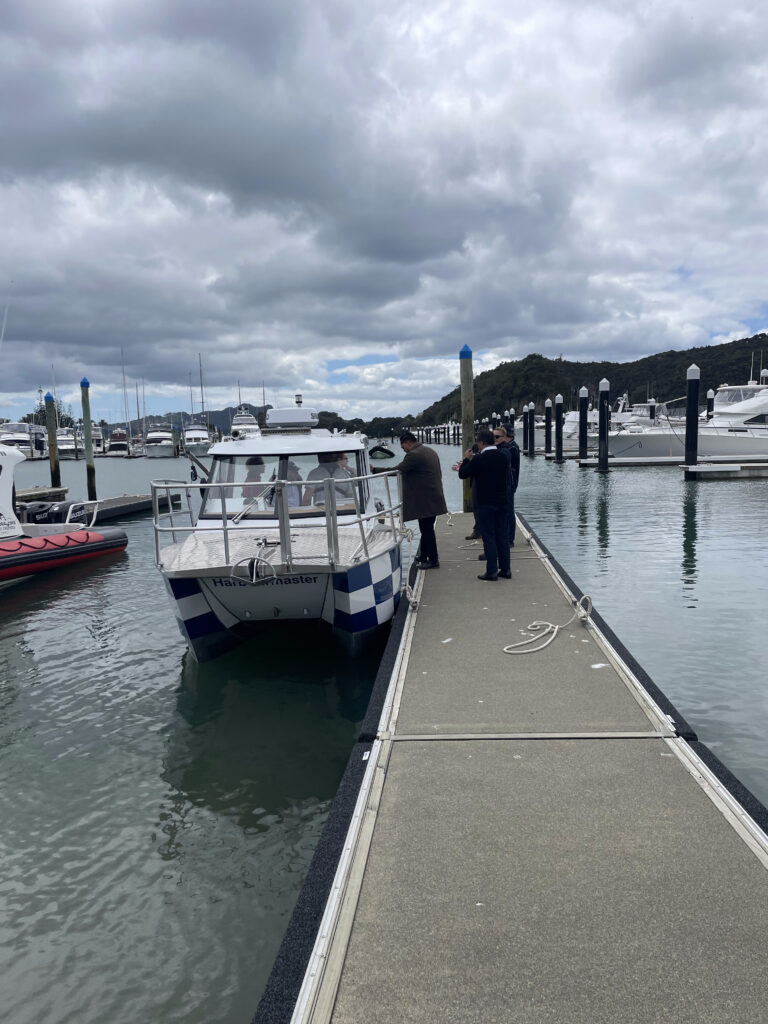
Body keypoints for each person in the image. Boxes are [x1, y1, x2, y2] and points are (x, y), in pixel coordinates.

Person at [373, 431, 447, 569]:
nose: (404, 450)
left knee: (427, 530)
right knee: (426, 528)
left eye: (403, 447)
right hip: (433, 497)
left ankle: (433, 560)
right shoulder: (429, 450)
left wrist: (375, 470)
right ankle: (424, 555)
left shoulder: (414, 455)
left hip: (425, 499)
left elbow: (397, 470)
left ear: (408, 442)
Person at [458, 429, 511, 581]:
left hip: (486, 503)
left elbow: (463, 474)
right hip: (502, 501)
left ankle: (492, 571)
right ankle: (506, 569)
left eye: (478, 442)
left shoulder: (479, 459)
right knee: (502, 536)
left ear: (481, 442)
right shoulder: (503, 456)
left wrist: (467, 459)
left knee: (489, 537)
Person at [492, 425, 520, 547]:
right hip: (506, 483)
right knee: (506, 511)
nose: (495, 439)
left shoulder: (512, 447)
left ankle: (510, 539)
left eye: (497, 436)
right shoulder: (508, 447)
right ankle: (505, 537)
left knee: (509, 511)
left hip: (510, 483)